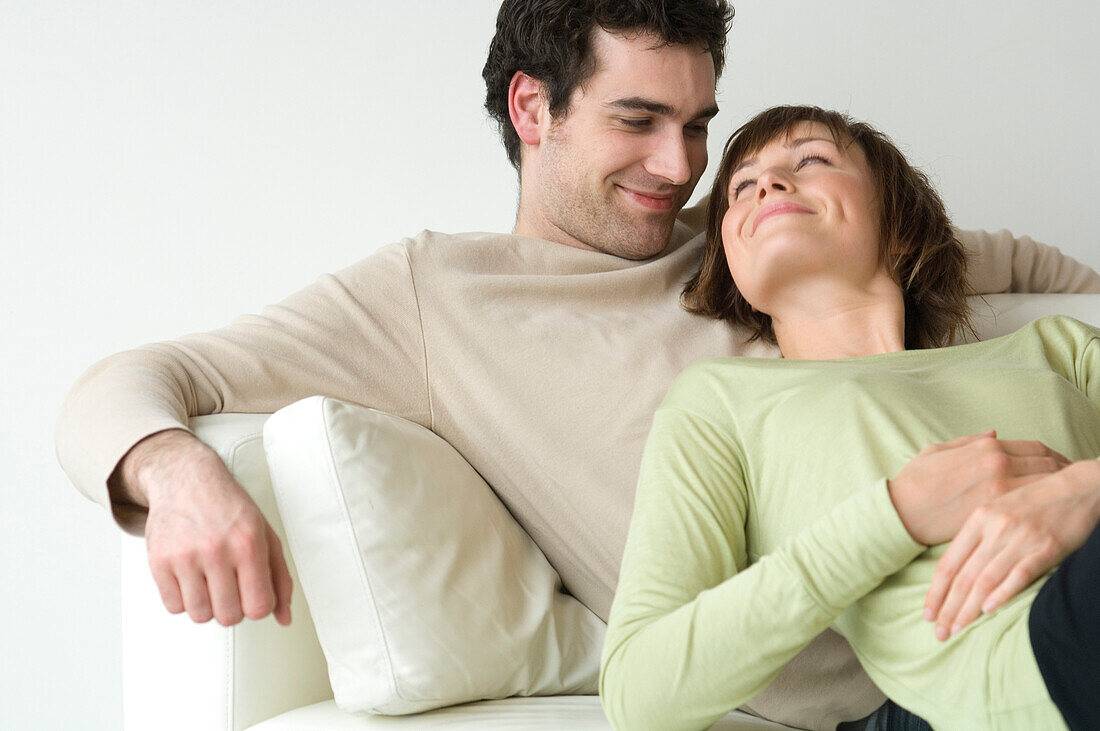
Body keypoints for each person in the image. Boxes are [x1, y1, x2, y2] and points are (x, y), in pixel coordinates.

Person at [55, 2, 1100, 729]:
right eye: (636, 122)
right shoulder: (434, 297)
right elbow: (128, 378)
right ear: (531, 109)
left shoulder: (754, 238)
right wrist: (178, 473)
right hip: (900, 676)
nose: (682, 167)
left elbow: (1022, 267)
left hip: (1007, 598)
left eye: (695, 126)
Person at [600, 105, 1100, 730]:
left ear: (898, 219)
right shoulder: (722, 400)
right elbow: (638, 694)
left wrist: (1084, 490)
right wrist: (896, 514)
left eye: (810, 160)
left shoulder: (1055, 349)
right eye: (741, 188)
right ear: (729, 260)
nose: (768, 186)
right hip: (1023, 667)